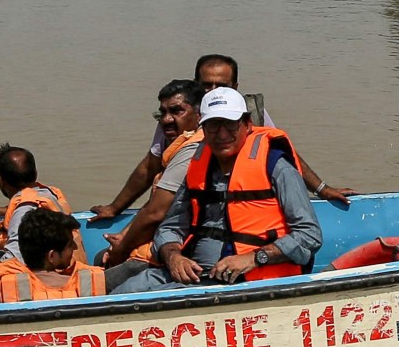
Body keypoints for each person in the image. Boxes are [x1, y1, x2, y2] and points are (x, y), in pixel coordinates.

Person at [111, 86, 323, 293]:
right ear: (203, 128)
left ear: (247, 124)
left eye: (230, 124)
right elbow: (170, 227)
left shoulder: (276, 166)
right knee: (125, 291)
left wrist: (255, 257)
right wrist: (173, 255)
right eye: (213, 125)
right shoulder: (197, 166)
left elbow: (309, 235)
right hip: (195, 272)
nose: (222, 134)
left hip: (249, 280)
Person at [96, 54, 353, 218]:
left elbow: (284, 153)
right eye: (206, 84)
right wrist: (115, 207)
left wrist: (321, 188)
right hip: (193, 208)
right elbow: (150, 165)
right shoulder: (177, 115)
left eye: (222, 86)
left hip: (246, 205)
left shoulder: (247, 113)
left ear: (236, 89)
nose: (213, 91)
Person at [95, 81, 202, 285]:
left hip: (170, 249)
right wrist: (123, 235)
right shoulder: (175, 143)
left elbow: (155, 214)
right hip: (156, 241)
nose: (167, 119)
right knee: (101, 257)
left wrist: (122, 250)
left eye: (177, 111)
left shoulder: (193, 149)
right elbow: (153, 192)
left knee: (100, 283)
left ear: (199, 114)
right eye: (162, 113)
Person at [0, 206, 108, 302]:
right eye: (70, 244)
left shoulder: (1, 291)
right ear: (51, 256)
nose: (75, 247)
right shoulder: (91, 281)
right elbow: (127, 268)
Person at [0, 143, 72, 260]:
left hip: (36, 275)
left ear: (1, 181)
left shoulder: (23, 212)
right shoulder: (50, 195)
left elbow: (16, 260)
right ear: (35, 173)